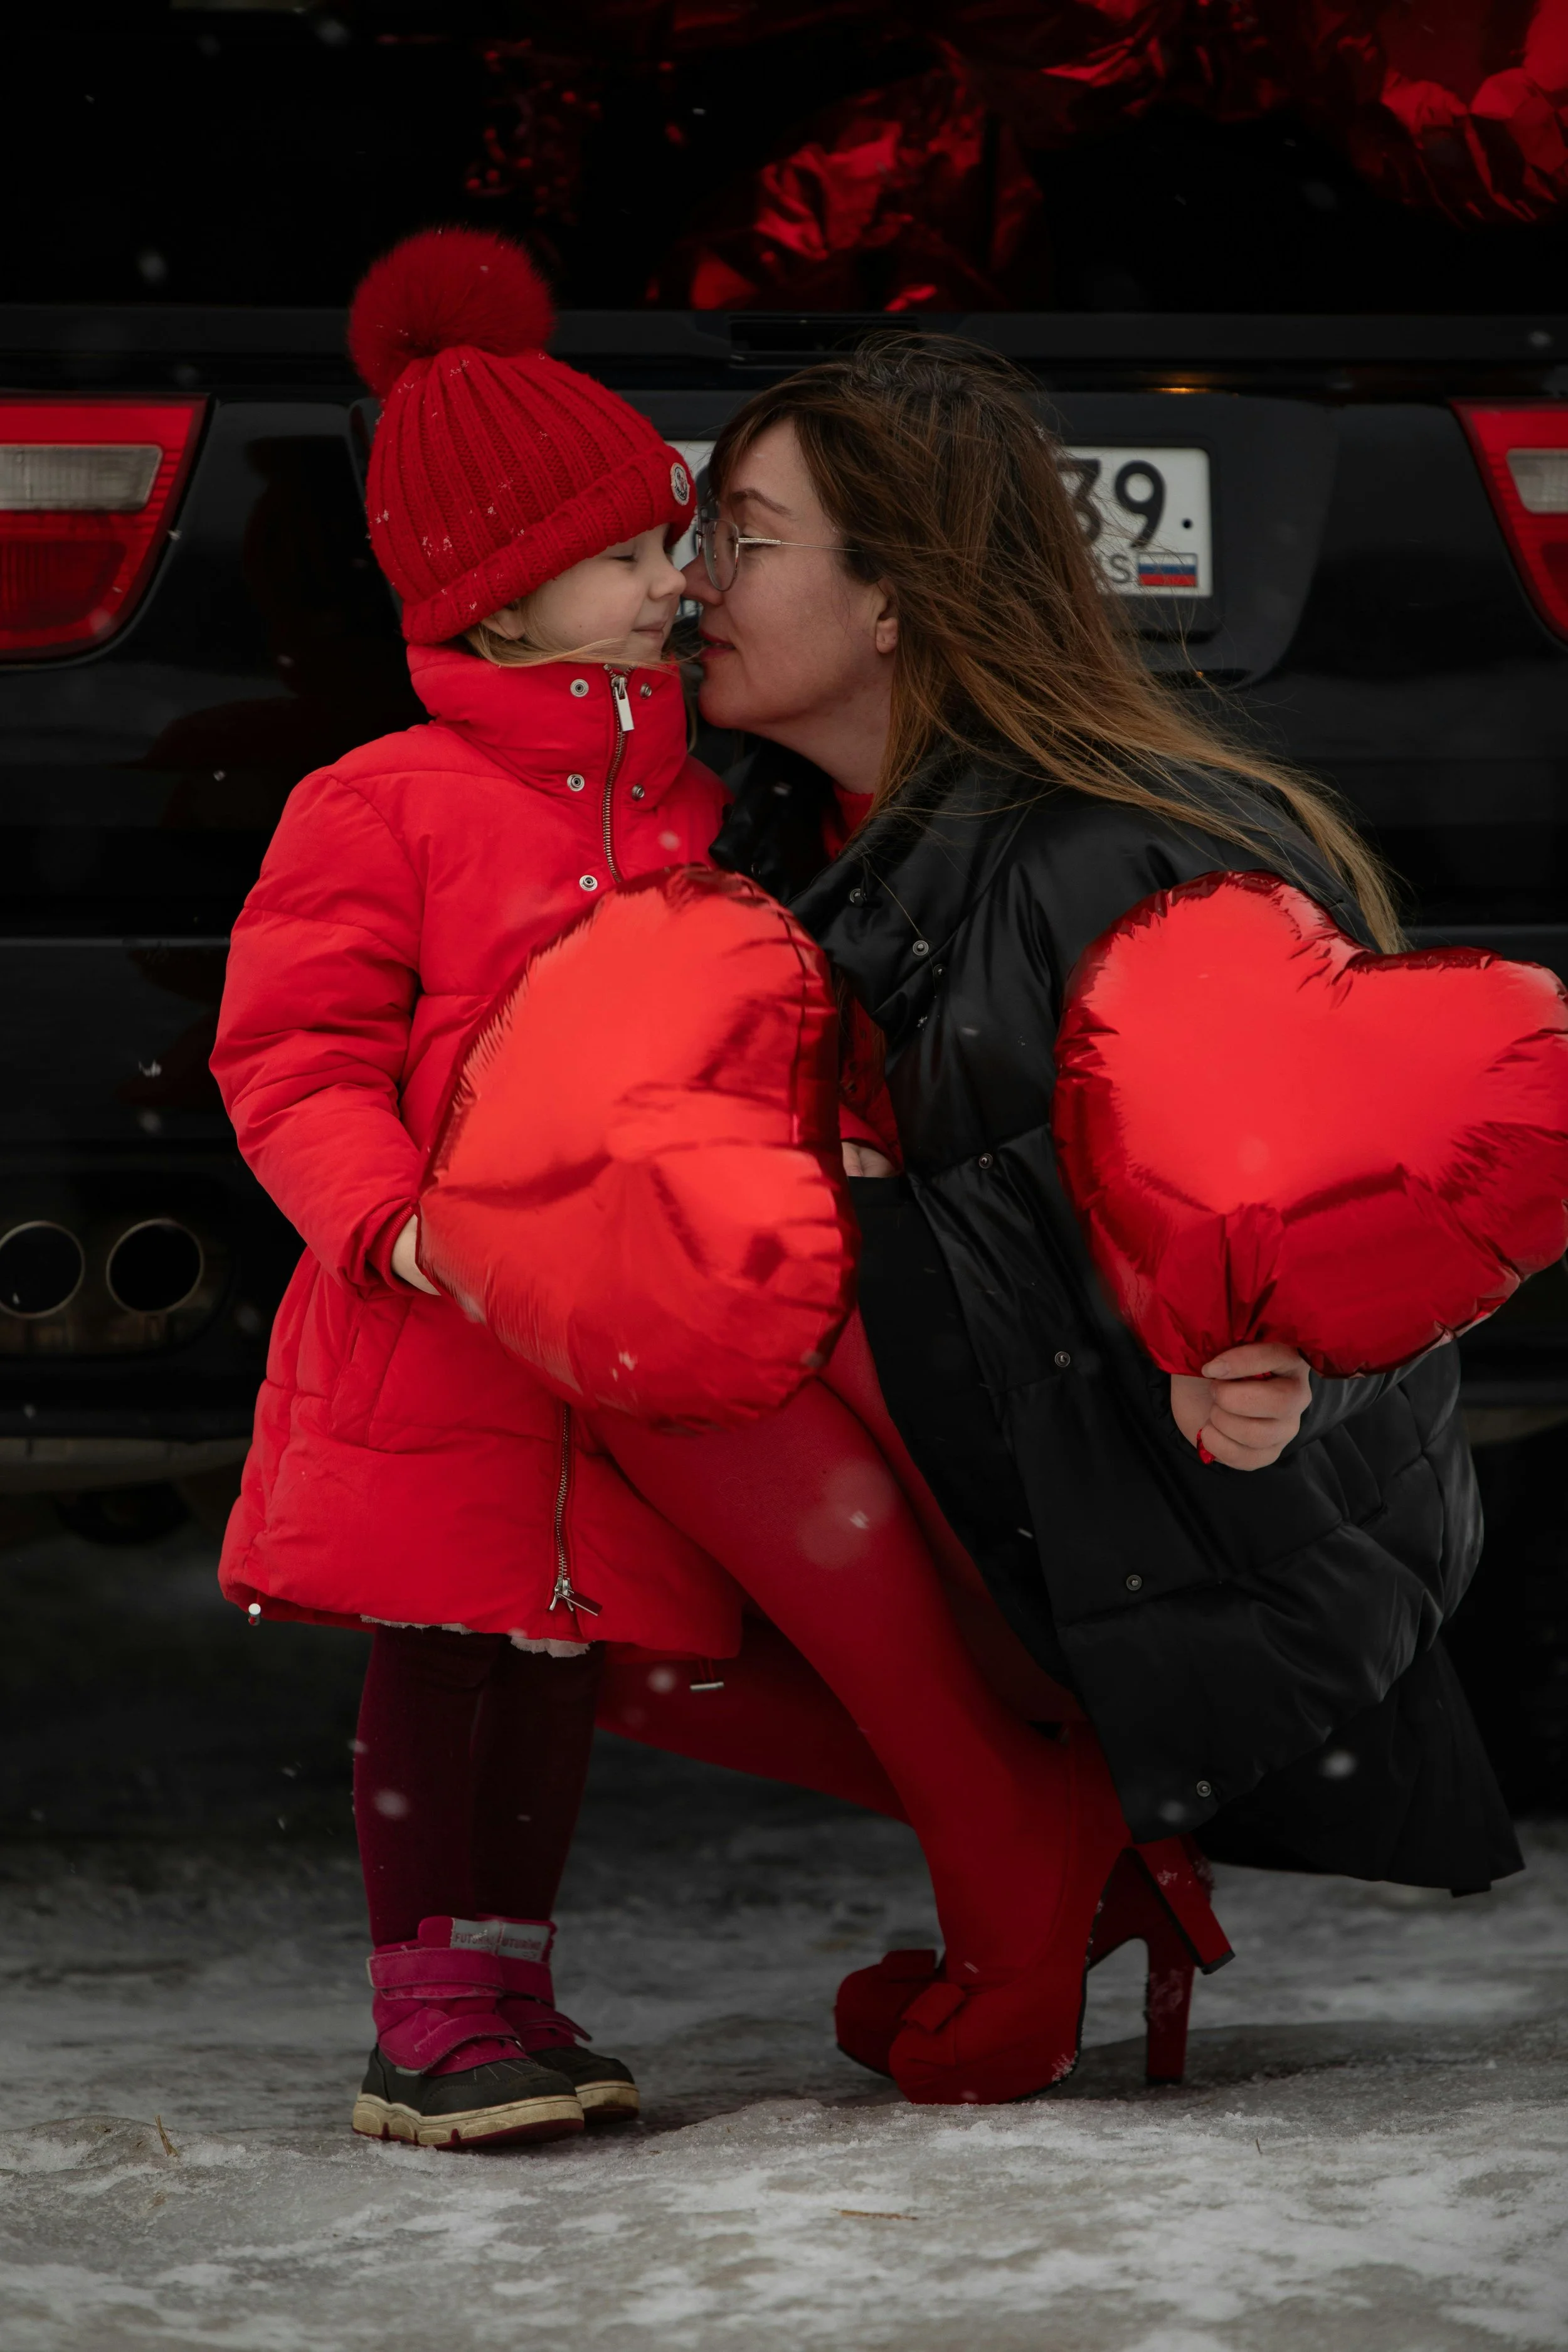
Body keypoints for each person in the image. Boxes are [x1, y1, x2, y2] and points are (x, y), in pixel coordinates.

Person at [594, 333, 1520, 2104]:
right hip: (1048, 1464)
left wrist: (1273, 1367)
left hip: (1216, 1519)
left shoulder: (1135, 850)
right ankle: (1063, 1826)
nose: (693, 577)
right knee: (555, 1601)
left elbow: (1360, 1205)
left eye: (748, 538)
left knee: (640, 1262)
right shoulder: (784, 846)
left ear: (895, 598)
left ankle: (1006, 1830)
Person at [209, 226, 743, 2149]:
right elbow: (292, 1053)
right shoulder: (387, 804)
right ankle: (423, 2013)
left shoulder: (698, 804)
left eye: (663, 548)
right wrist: (393, 1220)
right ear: (499, 602)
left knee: (556, 1647)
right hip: (435, 1315)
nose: (667, 584)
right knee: (445, 1649)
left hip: (611, 1317)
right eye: (623, 558)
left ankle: (508, 1979)